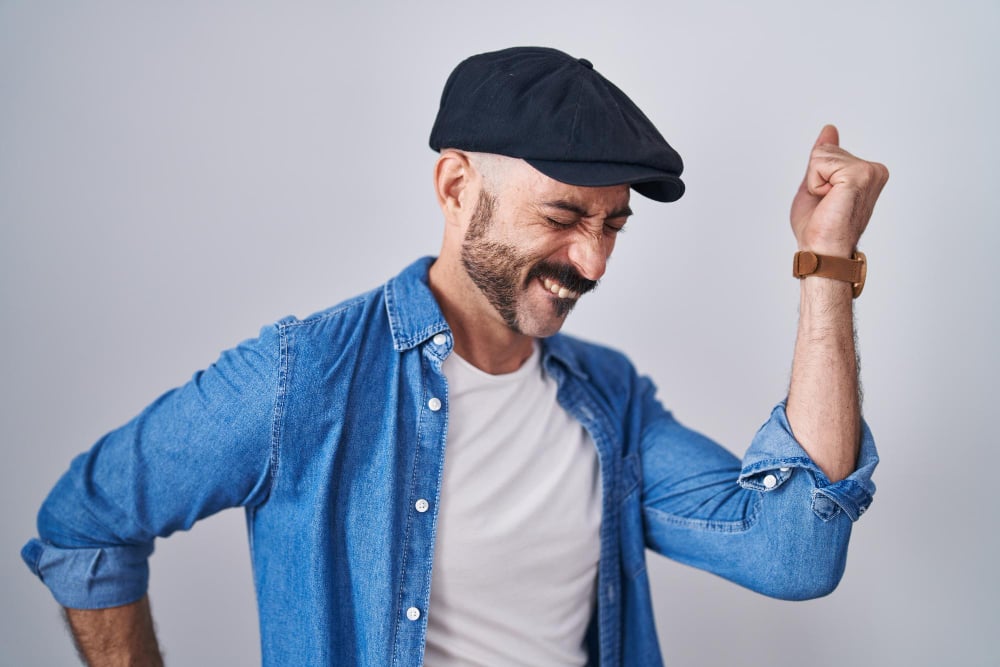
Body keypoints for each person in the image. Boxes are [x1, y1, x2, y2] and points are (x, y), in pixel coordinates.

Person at [21, 46, 887, 666]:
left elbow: (793, 555)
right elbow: (86, 524)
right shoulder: (307, 378)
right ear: (455, 186)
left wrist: (826, 264)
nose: (593, 261)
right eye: (561, 217)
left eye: (612, 223)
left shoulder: (610, 398)